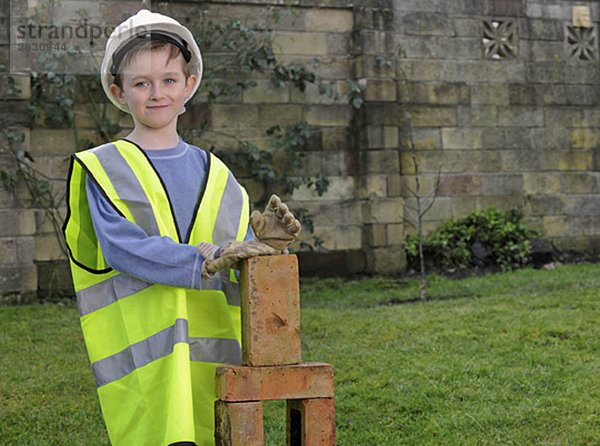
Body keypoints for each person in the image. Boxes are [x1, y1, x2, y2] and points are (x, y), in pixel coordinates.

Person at [62, 9, 300, 446]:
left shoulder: (219, 175)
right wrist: (204, 260)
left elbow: (238, 257)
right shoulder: (103, 168)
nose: (157, 93)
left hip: (218, 362)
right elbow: (122, 249)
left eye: (169, 80)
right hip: (146, 368)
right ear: (118, 91)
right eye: (141, 83)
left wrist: (266, 250)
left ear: (189, 85)